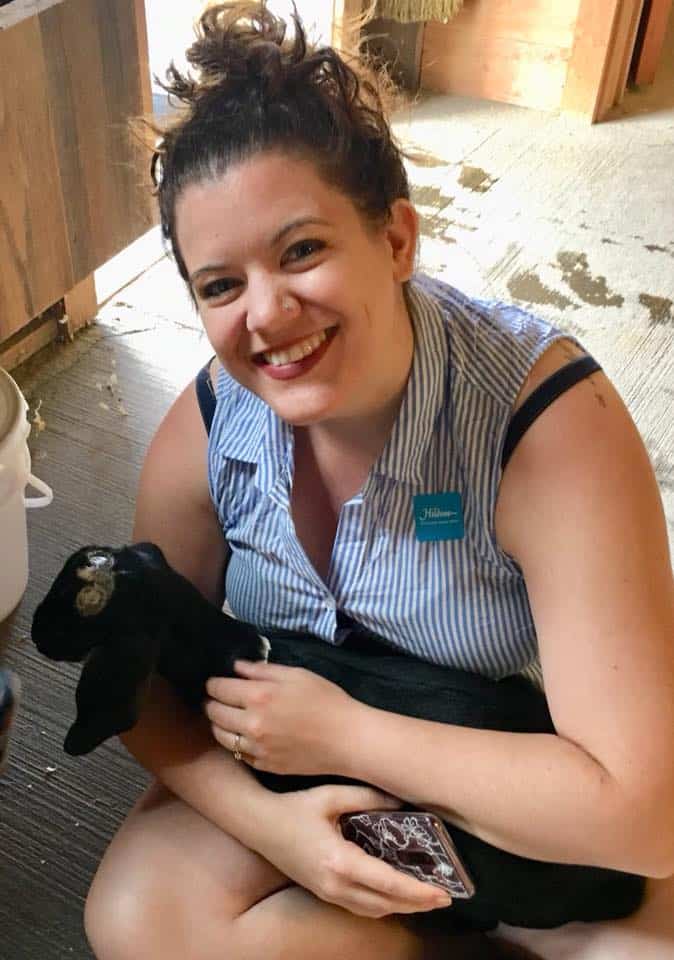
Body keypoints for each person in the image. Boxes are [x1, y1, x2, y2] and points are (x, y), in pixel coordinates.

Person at [83, 2, 674, 958]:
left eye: (302, 250)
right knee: (136, 922)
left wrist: (349, 736)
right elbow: (143, 683)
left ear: (396, 240)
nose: (266, 316)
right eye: (220, 285)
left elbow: (644, 818)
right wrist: (281, 833)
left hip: (527, 784)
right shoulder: (207, 427)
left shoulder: (549, 424)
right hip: (305, 780)